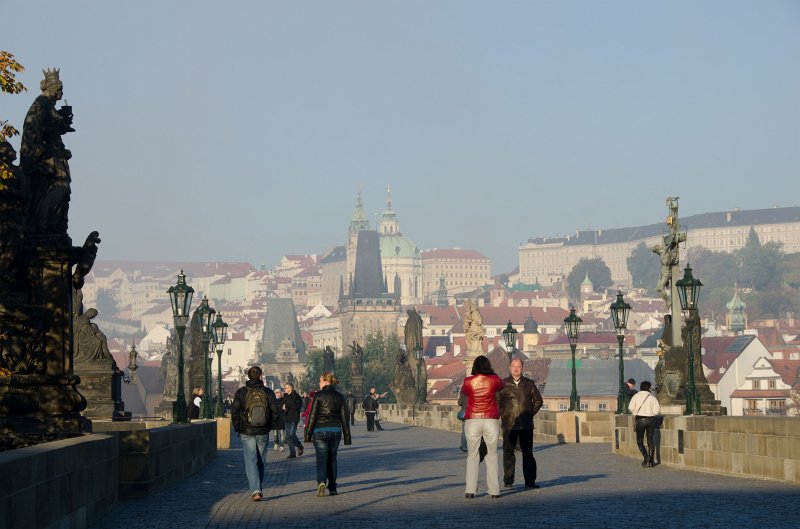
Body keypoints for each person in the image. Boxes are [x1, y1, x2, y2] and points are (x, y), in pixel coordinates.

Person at [231, 366, 280, 501]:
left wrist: (238, 428)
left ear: (248, 376)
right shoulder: (268, 392)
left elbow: (234, 412)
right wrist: (270, 425)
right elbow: (276, 411)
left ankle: (256, 490)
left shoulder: (241, 392)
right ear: (260, 376)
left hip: (246, 430)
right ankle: (258, 488)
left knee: (250, 460)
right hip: (263, 430)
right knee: (260, 461)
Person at [461, 355, 505, 499]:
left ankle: (470, 489)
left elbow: (465, 393)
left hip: (473, 419)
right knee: (492, 455)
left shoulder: (468, 381)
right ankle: (494, 491)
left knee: (472, 455)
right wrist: (492, 375)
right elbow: (502, 385)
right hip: (491, 419)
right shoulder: (494, 380)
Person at [304, 372, 352, 497]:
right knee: (332, 459)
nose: (319, 384)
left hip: (320, 431)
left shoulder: (318, 395)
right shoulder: (340, 396)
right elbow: (344, 418)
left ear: (326, 381)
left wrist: (307, 435)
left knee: (321, 459)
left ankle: (321, 482)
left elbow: (312, 416)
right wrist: (347, 437)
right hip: (336, 431)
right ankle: (333, 487)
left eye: (320, 381)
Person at [498, 358, 543, 489]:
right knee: (508, 452)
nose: (516, 369)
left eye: (518, 366)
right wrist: (504, 414)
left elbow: (538, 401)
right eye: (513, 366)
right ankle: (508, 480)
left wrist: (529, 414)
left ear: (522, 368)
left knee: (528, 453)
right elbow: (496, 401)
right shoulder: (503, 384)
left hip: (526, 424)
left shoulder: (529, 384)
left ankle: (530, 481)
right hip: (509, 424)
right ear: (509, 367)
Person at [628, 380, 661, 468]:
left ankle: (645, 457)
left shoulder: (636, 396)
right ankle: (651, 460)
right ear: (649, 388)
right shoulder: (652, 398)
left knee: (640, 441)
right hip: (650, 420)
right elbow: (656, 410)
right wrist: (651, 413)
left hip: (639, 420)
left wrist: (635, 412)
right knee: (650, 441)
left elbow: (630, 407)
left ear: (641, 387)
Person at [282, 382, 305, 459]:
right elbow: (282, 405)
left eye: (285, 388)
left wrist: (287, 405)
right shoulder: (285, 396)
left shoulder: (296, 396)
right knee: (288, 437)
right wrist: (283, 408)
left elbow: (297, 406)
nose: (284, 389)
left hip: (294, 418)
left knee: (292, 435)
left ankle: (299, 446)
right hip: (287, 418)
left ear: (290, 388)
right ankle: (292, 453)